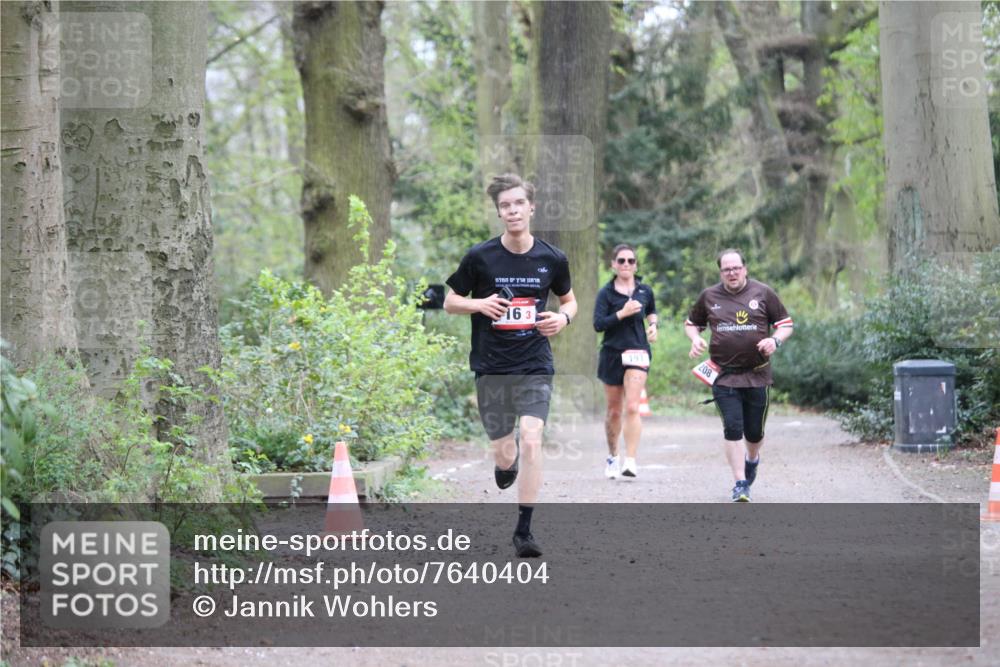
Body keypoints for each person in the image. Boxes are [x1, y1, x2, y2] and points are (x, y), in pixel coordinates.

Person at [444, 173, 577, 557]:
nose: (513, 210)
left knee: (532, 440)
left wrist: (563, 319)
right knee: (505, 451)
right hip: (491, 365)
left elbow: (569, 301)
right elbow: (451, 301)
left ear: (531, 207)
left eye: (518, 203)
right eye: (505, 205)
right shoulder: (480, 257)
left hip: (534, 362)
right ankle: (506, 463)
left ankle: (524, 531)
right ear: (499, 212)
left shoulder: (552, 258)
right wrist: (478, 304)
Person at [684, 249, 793, 502]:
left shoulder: (763, 293)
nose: (731, 273)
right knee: (732, 428)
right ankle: (740, 482)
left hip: (757, 375)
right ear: (720, 272)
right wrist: (696, 338)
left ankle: (752, 459)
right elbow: (692, 323)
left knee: (754, 433)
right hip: (724, 376)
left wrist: (775, 341)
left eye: (736, 268)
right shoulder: (709, 296)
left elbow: (786, 324)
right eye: (726, 269)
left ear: (744, 268)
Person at [593, 244, 658, 479]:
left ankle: (630, 460)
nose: (626, 265)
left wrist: (653, 326)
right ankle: (613, 455)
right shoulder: (606, 293)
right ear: (613, 264)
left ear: (636, 265)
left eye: (631, 261)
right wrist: (622, 312)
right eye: (621, 261)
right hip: (612, 353)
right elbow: (598, 324)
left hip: (638, 351)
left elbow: (651, 310)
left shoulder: (645, 290)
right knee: (614, 411)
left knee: (632, 406)